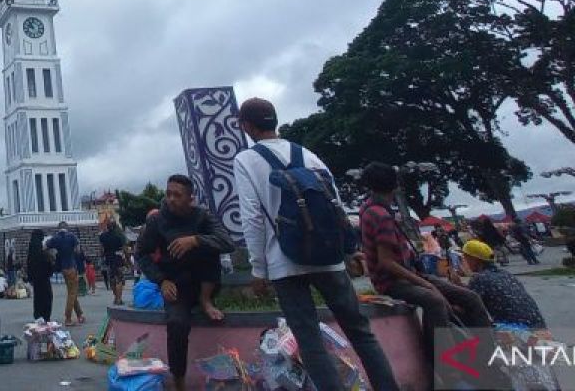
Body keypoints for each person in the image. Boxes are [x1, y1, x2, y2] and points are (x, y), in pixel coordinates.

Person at [234, 98, 399, 391]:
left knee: (309, 343)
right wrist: (348, 251)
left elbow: (252, 217)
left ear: (246, 126)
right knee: (361, 333)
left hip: (284, 261)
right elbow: (335, 205)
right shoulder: (308, 155)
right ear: (275, 121)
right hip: (328, 257)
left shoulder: (246, 160)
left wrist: (258, 269)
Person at [359, 162, 490, 378]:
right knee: (435, 301)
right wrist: (427, 284)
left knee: (469, 297)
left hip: (409, 274)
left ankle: (484, 354)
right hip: (392, 281)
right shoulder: (379, 215)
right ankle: (441, 367)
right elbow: (386, 262)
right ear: (395, 186)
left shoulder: (375, 209)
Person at [136, 174, 233, 391]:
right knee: (177, 323)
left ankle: (206, 301)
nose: (171, 199)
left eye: (177, 195)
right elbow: (141, 254)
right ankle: (179, 380)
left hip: (205, 280)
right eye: (168, 194)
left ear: (190, 198)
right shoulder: (156, 221)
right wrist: (161, 281)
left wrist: (195, 240)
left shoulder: (203, 216)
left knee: (209, 247)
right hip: (176, 284)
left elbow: (227, 242)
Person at [454, 240, 546, 328]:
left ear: (475, 259)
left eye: (465, 257)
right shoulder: (506, 274)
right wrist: (458, 285)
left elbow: (466, 305)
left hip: (517, 331)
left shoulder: (479, 279)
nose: (464, 261)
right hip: (539, 325)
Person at [45, 222, 85, 326]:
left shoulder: (55, 238)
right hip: (71, 266)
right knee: (72, 293)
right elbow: (77, 251)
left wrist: (53, 255)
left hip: (62, 268)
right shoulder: (72, 237)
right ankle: (68, 318)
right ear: (67, 227)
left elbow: (45, 247)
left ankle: (80, 314)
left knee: (72, 292)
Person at [26, 228, 55, 321]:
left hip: (35, 277)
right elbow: (45, 262)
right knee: (47, 296)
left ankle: (38, 315)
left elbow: (29, 263)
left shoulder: (31, 248)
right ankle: (46, 315)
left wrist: (30, 277)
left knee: (38, 297)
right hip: (43, 276)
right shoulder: (40, 247)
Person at [99, 217, 127, 305]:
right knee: (119, 280)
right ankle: (118, 299)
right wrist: (128, 261)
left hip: (109, 260)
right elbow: (125, 249)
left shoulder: (103, 236)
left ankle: (116, 297)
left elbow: (101, 249)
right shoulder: (120, 235)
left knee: (112, 280)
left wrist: (103, 257)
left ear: (107, 226)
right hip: (118, 259)